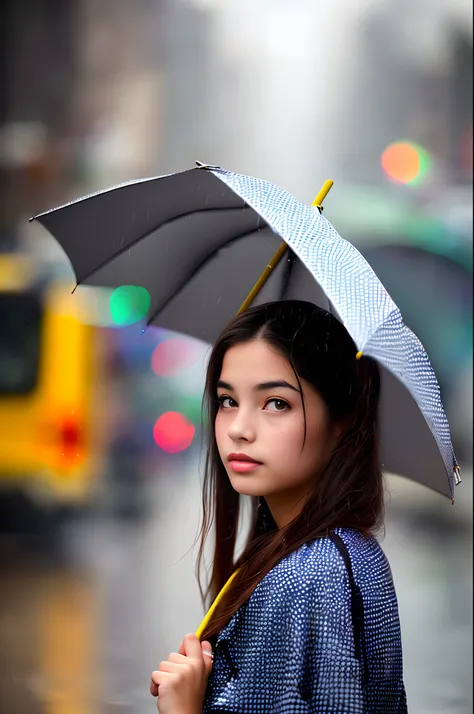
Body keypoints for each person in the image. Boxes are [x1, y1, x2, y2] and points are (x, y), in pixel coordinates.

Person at [150, 300, 407, 713]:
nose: (238, 429)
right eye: (227, 400)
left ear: (342, 422)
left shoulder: (307, 575)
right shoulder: (350, 554)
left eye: (276, 403)